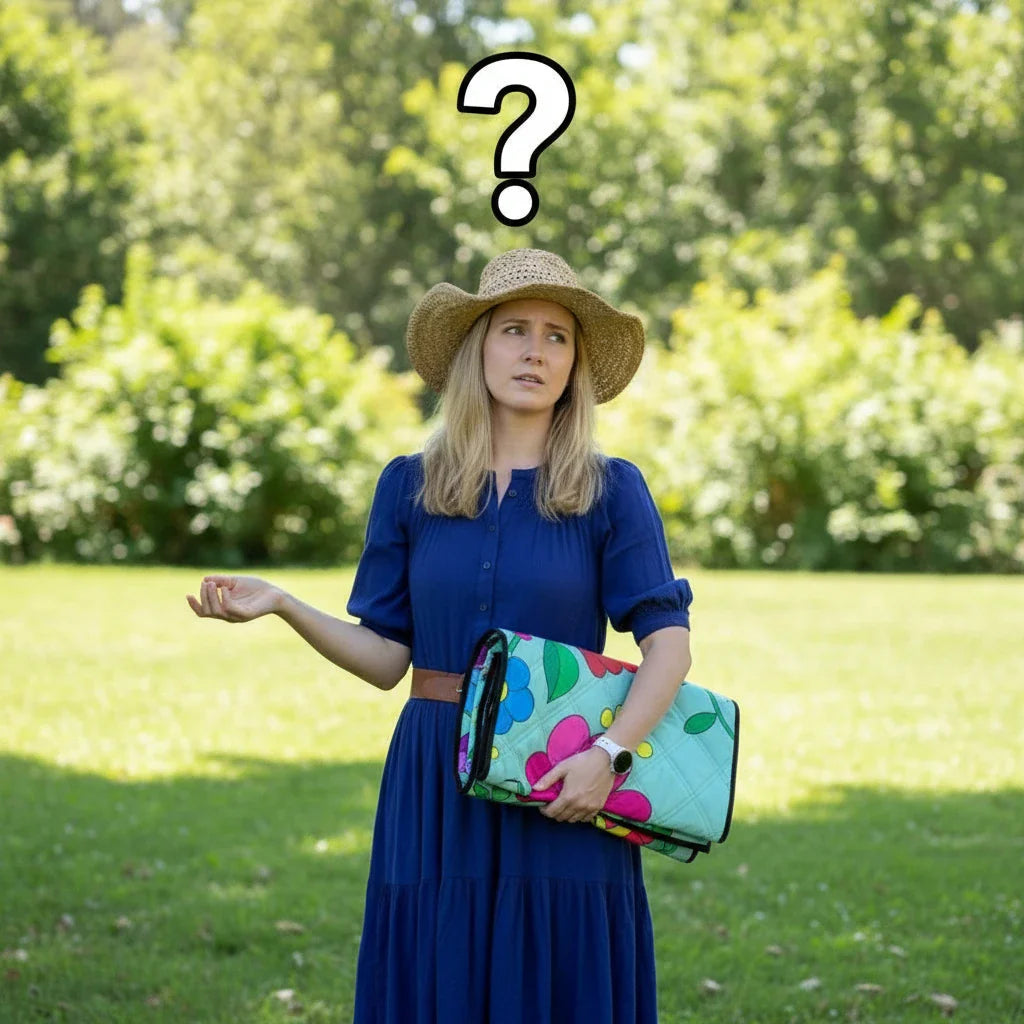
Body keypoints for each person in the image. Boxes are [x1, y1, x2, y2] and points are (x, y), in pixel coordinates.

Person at [187, 248, 693, 1023]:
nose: (535, 351)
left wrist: (608, 756)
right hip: (433, 773)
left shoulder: (609, 490)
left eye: (558, 337)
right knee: (434, 973)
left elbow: (670, 646)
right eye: (514, 330)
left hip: (560, 773)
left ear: (575, 365)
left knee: (558, 974)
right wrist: (285, 604)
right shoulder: (410, 486)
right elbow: (389, 657)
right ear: (475, 348)